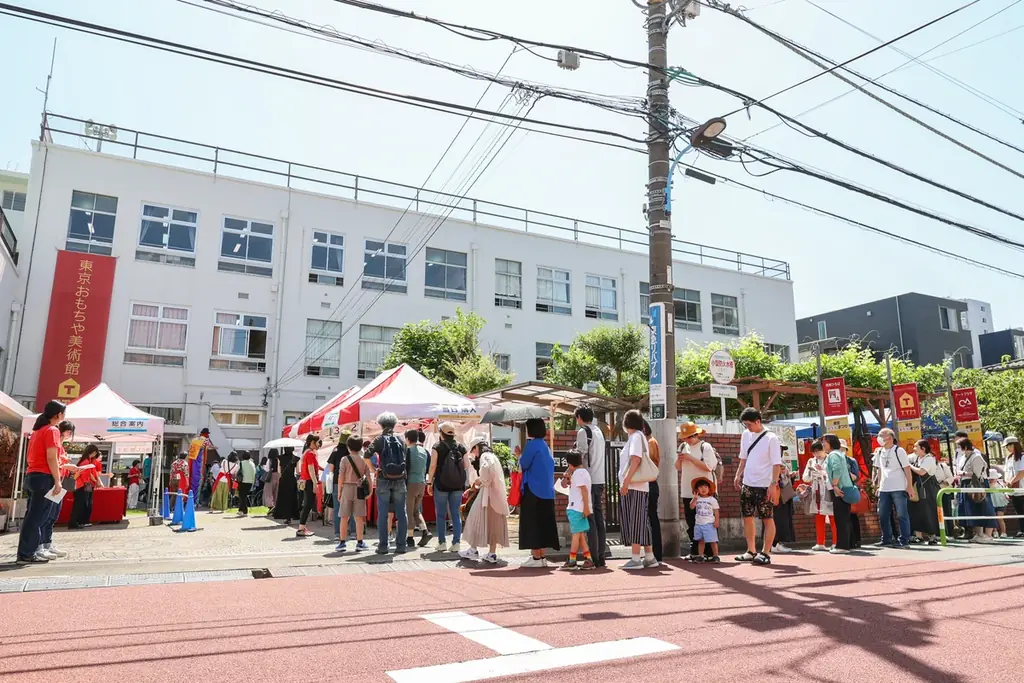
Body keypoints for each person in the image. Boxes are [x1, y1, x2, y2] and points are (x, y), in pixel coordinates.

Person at [17, 400, 66, 564]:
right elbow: (51, 457)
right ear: (58, 415)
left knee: (32, 516)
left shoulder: (37, 430)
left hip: (32, 476)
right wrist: (58, 481)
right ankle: (27, 553)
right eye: (63, 414)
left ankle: (27, 551)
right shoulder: (52, 430)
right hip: (44, 477)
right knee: (38, 518)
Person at [734, 407, 783, 565]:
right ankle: (750, 550)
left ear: (758, 421)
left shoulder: (771, 438)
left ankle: (766, 552)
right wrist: (738, 474)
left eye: (749, 424)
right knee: (747, 517)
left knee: (767, 518)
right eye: (744, 424)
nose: (747, 427)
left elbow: (777, 464)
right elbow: (743, 457)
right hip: (748, 483)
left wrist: (773, 484)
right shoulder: (745, 435)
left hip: (765, 484)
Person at [515, 418, 559, 568]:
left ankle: (535, 557)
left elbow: (524, 464)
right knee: (543, 524)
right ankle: (542, 556)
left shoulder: (532, 445)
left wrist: (519, 455)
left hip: (533, 489)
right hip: (547, 491)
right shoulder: (545, 446)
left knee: (532, 523)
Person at [460, 436, 511, 565]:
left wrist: (480, 480)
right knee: (493, 524)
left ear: (477, 447)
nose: (474, 454)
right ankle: (492, 553)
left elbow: (486, 472)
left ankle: (473, 549)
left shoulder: (485, 456)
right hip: (497, 496)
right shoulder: (493, 455)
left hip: (487, 495)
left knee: (474, 519)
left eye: (473, 450)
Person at [365, 412, 409, 555]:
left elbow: (366, 455)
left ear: (381, 424)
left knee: (383, 514)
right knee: (401, 513)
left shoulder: (379, 439)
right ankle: (401, 545)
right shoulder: (401, 439)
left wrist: (374, 469)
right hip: (400, 479)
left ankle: (383, 546)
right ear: (394, 424)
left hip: (384, 479)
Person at [36, 420, 78, 560]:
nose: (69, 435)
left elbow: (58, 460)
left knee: (52, 516)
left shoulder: (59, 444)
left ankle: (47, 544)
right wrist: (65, 465)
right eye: (69, 432)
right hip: (53, 481)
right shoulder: (52, 439)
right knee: (45, 516)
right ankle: (40, 546)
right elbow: (53, 460)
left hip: (59, 482)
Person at [620, 409, 656, 570]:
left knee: (635, 521)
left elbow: (635, 459)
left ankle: (635, 558)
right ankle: (649, 556)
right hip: (640, 486)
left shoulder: (635, 437)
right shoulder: (640, 436)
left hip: (635, 486)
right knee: (642, 521)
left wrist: (626, 482)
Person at [676, 422, 717, 561]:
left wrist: (690, 458)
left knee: (706, 521)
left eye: (690, 437)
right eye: (685, 438)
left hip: (704, 491)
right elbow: (678, 467)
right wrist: (680, 459)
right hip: (688, 491)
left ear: (696, 435)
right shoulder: (683, 447)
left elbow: (709, 467)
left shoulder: (705, 447)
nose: (687, 440)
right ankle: (695, 550)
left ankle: (710, 552)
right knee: (692, 522)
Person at [574, 404, 607, 567]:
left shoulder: (583, 431)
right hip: (599, 478)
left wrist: (568, 473)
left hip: (589, 480)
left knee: (591, 518)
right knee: (599, 518)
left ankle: (593, 557)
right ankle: (601, 554)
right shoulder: (598, 431)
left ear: (579, 418)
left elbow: (579, 456)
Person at [428, 422, 467, 553]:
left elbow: (432, 466)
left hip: (441, 484)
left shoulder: (437, 446)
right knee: (455, 514)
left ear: (441, 433)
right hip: (457, 485)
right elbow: (466, 465)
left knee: (440, 514)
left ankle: (442, 542)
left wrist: (429, 483)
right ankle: (456, 543)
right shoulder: (461, 447)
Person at [872, 428, 913, 548]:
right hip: (884, 488)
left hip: (899, 487)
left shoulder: (899, 451)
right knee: (883, 514)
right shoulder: (879, 451)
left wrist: (909, 486)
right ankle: (886, 539)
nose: (878, 438)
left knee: (902, 514)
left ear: (889, 437)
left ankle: (904, 540)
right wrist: (878, 485)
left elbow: (907, 469)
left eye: (881, 435)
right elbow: (879, 470)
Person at [953, 436, 996, 543]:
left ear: (965, 446)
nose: (957, 449)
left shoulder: (976, 456)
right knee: (972, 509)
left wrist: (963, 473)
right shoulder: (963, 457)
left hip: (977, 484)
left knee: (983, 507)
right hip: (966, 484)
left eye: (959, 446)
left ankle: (987, 534)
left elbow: (977, 474)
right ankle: (978, 533)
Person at [336, 435, 371, 552]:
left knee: (344, 517)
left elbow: (340, 476)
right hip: (360, 489)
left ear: (348, 447)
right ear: (361, 446)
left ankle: (342, 542)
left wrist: (339, 491)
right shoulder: (364, 459)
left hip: (346, 488)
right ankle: (360, 542)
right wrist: (370, 491)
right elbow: (368, 477)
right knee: (359, 517)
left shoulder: (344, 460)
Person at [823, 434, 854, 554]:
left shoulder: (833, 454)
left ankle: (842, 546)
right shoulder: (839, 454)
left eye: (824, 442)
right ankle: (846, 544)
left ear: (830, 442)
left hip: (839, 489)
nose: (823, 444)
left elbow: (837, 469)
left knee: (840, 517)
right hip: (844, 488)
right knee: (844, 517)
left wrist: (835, 485)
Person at [802, 442, 834, 552]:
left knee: (832, 516)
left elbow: (833, 474)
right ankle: (820, 542)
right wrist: (813, 473)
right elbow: (805, 477)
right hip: (816, 490)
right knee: (819, 517)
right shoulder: (811, 461)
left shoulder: (830, 459)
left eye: (818, 451)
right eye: (814, 452)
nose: (817, 454)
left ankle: (835, 542)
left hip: (828, 489)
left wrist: (823, 472)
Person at [908, 439, 940, 545]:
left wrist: (910, 466)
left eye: (916, 447)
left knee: (928, 510)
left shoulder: (929, 459)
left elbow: (922, 472)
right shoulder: (917, 458)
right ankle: (918, 536)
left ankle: (933, 536)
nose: (914, 449)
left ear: (923, 448)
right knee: (916, 510)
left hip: (928, 487)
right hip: (918, 486)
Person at [404, 428, 432, 548]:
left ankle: (410, 538)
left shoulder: (408, 451)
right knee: (416, 510)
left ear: (408, 439)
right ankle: (425, 531)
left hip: (411, 483)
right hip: (422, 482)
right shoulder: (424, 451)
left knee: (409, 511)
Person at [642, 420, 663, 564]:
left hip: (648, 482)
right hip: (651, 483)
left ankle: (654, 554)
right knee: (652, 518)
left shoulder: (649, 442)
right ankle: (655, 554)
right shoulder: (650, 441)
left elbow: (645, 461)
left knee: (650, 519)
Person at [688, 477, 720, 563]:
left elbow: (716, 511)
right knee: (701, 540)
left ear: (709, 489)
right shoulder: (697, 499)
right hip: (699, 523)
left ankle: (715, 555)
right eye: (701, 487)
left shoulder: (712, 500)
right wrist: (694, 498)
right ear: (697, 489)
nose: (703, 489)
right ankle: (701, 556)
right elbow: (691, 507)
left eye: (706, 487)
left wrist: (717, 521)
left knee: (713, 540)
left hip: (709, 523)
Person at [70, 445, 102, 530]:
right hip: (83, 485)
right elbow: (86, 475)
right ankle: (75, 522)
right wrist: (95, 481)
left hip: (85, 485)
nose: (95, 455)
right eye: (95, 453)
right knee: (80, 504)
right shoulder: (86, 462)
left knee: (83, 504)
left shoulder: (87, 461)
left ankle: (79, 522)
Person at [771, 448, 797, 554]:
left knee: (781, 520)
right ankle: (774, 544)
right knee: (777, 520)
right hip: (777, 495)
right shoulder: (772, 462)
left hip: (783, 496)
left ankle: (777, 543)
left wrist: (789, 476)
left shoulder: (779, 461)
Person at [296, 435, 322, 538]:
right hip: (309, 481)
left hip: (306, 480)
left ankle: (302, 527)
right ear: (312, 442)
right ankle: (301, 528)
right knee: (307, 505)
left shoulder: (306, 452)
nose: (319, 444)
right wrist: (315, 483)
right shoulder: (310, 453)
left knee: (307, 504)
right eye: (317, 442)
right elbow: (311, 469)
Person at [840, 439, 863, 549]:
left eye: (843, 449)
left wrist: (845, 471)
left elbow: (856, 476)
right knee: (844, 517)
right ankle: (848, 541)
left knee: (853, 516)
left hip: (850, 489)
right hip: (839, 490)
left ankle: (856, 540)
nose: (841, 450)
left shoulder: (851, 461)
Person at [186, 428, 213, 508]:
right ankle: (195, 501)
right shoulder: (205, 440)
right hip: (199, 464)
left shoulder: (194, 440)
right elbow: (209, 446)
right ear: (206, 434)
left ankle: (188, 500)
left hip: (192, 463)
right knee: (198, 483)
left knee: (191, 481)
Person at [1004, 436, 1024, 537]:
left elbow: (1022, 473)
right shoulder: (1009, 458)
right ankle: (1022, 529)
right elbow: (1007, 472)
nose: (1007, 448)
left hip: (1021, 488)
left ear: (1013, 445)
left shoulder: (1022, 457)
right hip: (1013, 489)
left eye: (1008, 446)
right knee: (1019, 510)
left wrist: (1011, 481)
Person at [274, 448, 299, 523]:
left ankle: (284, 515)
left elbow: (279, 471)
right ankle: (291, 516)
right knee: (292, 498)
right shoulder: (296, 458)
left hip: (283, 479)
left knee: (283, 497)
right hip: (292, 479)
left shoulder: (279, 458)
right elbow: (297, 471)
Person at [989, 469, 1009, 539]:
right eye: (990, 479)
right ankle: (995, 531)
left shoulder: (1001, 483)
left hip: (1001, 502)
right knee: (993, 517)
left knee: (1000, 518)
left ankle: (1003, 532)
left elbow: (1005, 490)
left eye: (993, 478)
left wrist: (1006, 495)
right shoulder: (988, 485)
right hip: (992, 502)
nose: (992, 480)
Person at [236, 452, 256, 517]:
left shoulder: (241, 463)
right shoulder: (252, 464)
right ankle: (241, 510)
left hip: (242, 481)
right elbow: (254, 473)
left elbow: (237, 471)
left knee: (242, 496)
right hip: (250, 482)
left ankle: (244, 511)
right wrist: (253, 482)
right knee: (244, 496)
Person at [263, 447, 280, 513]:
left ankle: (270, 506)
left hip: (270, 476)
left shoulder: (269, 460)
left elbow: (267, 469)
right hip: (278, 476)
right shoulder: (279, 460)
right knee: (276, 492)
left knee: (268, 492)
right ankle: (276, 505)